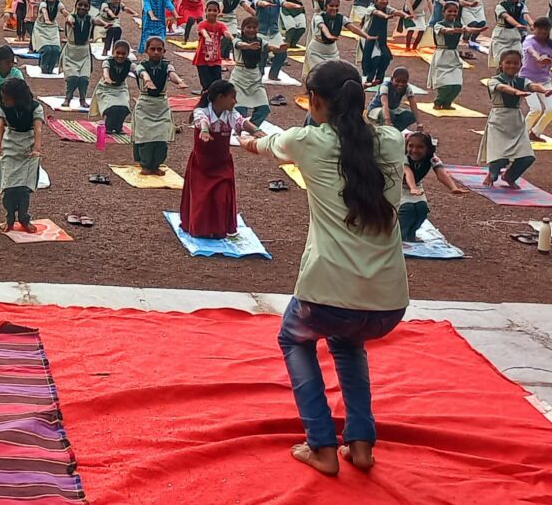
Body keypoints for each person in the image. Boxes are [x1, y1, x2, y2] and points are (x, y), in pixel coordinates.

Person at [242, 59, 409, 477]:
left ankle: (321, 444)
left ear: (314, 100)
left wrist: (246, 136)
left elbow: (263, 145)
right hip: (388, 302)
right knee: (348, 343)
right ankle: (361, 444)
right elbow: (365, 139)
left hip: (326, 293)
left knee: (294, 338)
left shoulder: (305, 141)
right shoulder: (392, 141)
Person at [178, 79, 245, 239]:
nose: (235, 101)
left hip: (222, 163)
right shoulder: (201, 111)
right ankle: (200, 229)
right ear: (221, 97)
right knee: (202, 198)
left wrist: (257, 132)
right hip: (202, 164)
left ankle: (218, 229)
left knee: (222, 195)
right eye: (232, 97)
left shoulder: (231, 114)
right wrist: (205, 131)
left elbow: (242, 122)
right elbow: (203, 121)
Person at [481, 48, 551, 188]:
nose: (512, 66)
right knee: (499, 157)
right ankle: (492, 174)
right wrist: (516, 92)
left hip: (516, 121)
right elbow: (502, 88)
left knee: (527, 157)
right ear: (501, 64)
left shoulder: (522, 80)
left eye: (515, 63)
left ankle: (509, 176)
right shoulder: (493, 81)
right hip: (499, 120)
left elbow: (533, 86)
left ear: (520, 65)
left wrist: (544, 90)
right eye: (508, 63)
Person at [0, 76, 43, 232]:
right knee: (8, 188)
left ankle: (24, 218)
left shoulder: (36, 108)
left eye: (8, 98)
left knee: (24, 190)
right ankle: (9, 217)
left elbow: (38, 129)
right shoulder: (1, 108)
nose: (5, 101)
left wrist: (36, 148)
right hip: (10, 146)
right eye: (3, 97)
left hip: (28, 150)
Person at [131, 36, 185, 174]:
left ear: (164, 51)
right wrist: (148, 80)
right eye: (152, 49)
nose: (156, 52)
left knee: (162, 137)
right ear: (146, 51)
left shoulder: (167, 65)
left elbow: (172, 74)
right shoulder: (141, 66)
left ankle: (156, 165)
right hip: (145, 105)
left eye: (159, 49)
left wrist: (179, 81)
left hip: (161, 105)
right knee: (145, 137)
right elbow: (143, 74)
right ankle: (145, 164)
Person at [400, 130, 466, 242]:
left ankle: (411, 234)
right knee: (407, 209)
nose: (414, 150)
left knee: (422, 209)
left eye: (420, 147)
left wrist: (453, 187)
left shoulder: (432, 158)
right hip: (398, 186)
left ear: (428, 149)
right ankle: (400, 235)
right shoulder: (403, 156)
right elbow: (407, 172)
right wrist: (413, 187)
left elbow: (441, 173)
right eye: (411, 146)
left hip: (415, 187)